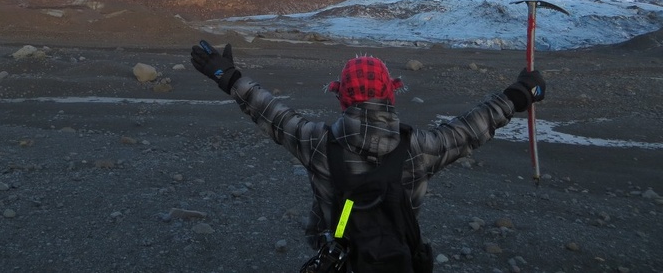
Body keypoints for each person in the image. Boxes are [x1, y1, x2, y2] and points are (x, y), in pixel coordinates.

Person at [190, 40, 546, 272]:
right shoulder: (420, 148)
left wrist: (228, 76)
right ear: (389, 95)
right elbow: (470, 128)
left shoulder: (318, 143)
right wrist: (519, 94)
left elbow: (271, 112)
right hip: (399, 261)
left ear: (342, 96)